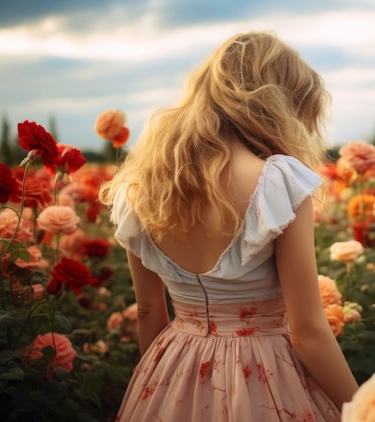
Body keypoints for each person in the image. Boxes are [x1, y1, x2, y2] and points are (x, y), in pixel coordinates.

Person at [99, 31, 359, 421]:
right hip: (266, 374)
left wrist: (156, 386)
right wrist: (371, 411)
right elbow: (307, 333)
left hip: (171, 367)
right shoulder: (278, 182)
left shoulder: (140, 187)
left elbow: (150, 312)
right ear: (280, 103)